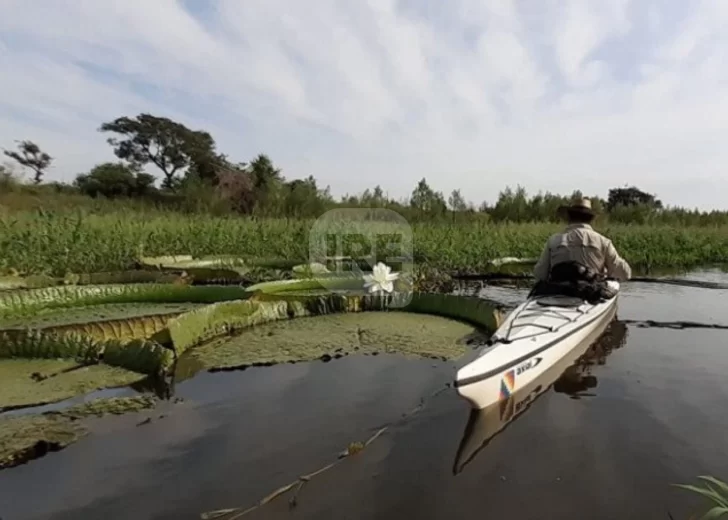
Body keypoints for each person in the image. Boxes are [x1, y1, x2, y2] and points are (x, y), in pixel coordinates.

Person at [532, 197, 631, 301]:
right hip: (589, 295)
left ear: (569, 217)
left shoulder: (553, 240)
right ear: (590, 219)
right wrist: (606, 273)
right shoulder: (603, 242)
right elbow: (625, 273)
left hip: (558, 293)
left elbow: (540, 274)